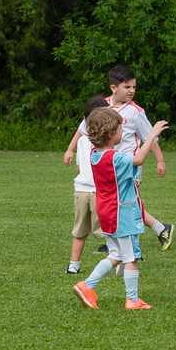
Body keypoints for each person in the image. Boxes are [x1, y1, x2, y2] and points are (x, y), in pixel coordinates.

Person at [62, 65, 175, 254]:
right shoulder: (101, 106)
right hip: (107, 167)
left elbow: (150, 137)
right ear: (113, 88)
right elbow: (82, 129)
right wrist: (70, 149)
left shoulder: (135, 112)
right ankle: (154, 230)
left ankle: (128, 245)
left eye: (134, 87)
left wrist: (160, 160)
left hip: (127, 167)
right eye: (127, 87)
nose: (131, 91)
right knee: (116, 204)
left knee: (126, 204)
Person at [73, 108, 169, 310]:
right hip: (122, 214)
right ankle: (132, 300)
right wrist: (151, 135)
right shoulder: (114, 158)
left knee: (116, 255)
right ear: (110, 134)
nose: (123, 132)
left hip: (107, 214)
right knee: (131, 257)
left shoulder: (95, 155)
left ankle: (87, 286)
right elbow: (138, 159)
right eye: (120, 129)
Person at [66, 98, 108, 274]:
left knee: (80, 231)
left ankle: (73, 265)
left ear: (85, 120)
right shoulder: (108, 143)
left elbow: (79, 167)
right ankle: (118, 262)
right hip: (100, 192)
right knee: (110, 231)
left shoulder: (82, 140)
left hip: (81, 191)